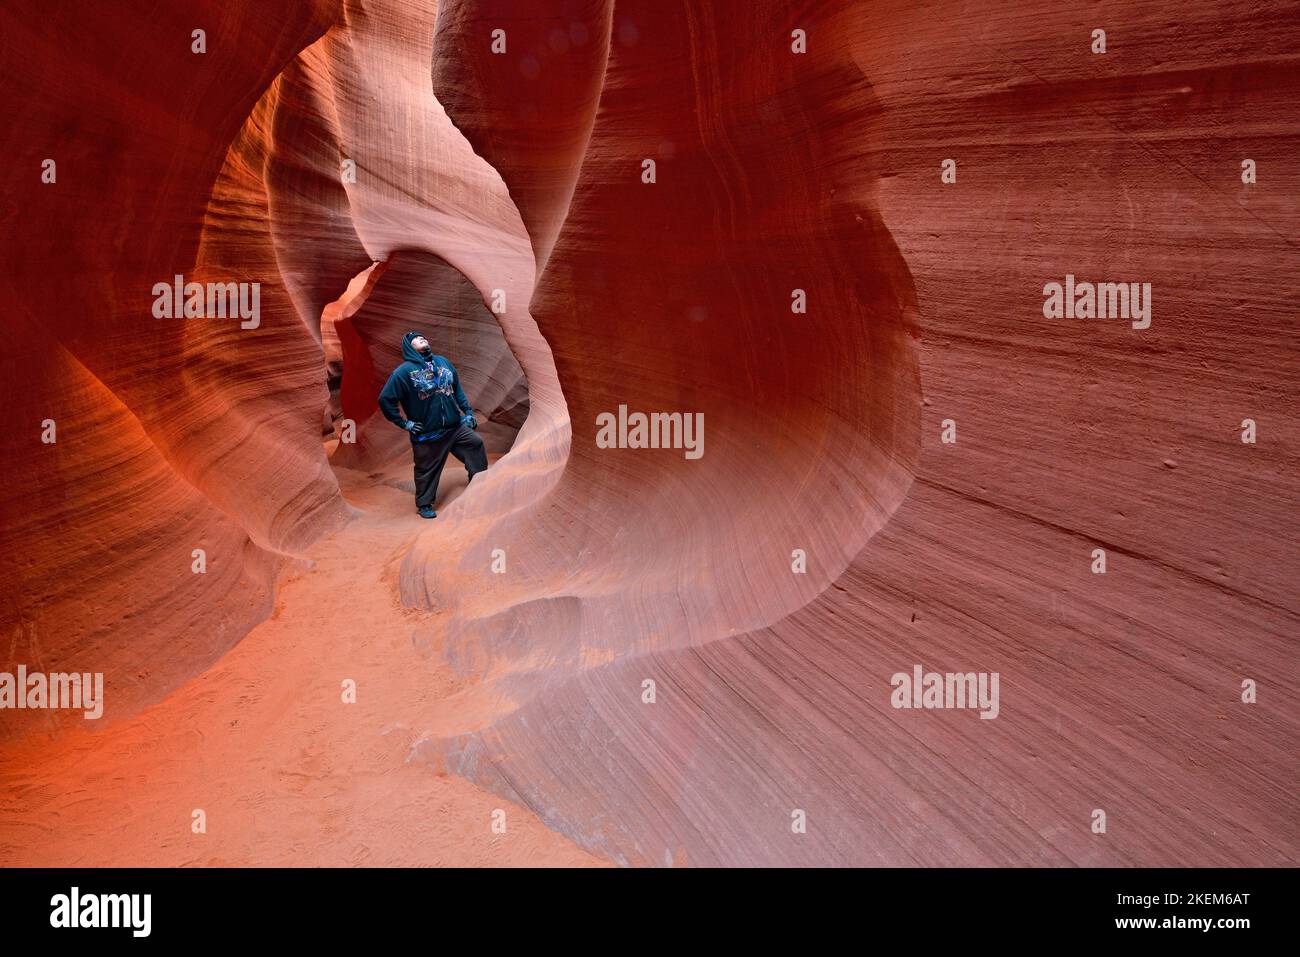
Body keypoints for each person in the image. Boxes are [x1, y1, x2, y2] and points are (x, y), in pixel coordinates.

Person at [377, 332, 487, 518]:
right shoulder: (403, 372)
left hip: (455, 427)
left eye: (423, 337)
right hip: (429, 434)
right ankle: (425, 504)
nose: (422, 338)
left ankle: (480, 483)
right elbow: (385, 399)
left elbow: (457, 389)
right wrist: (405, 424)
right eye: (416, 338)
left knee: (475, 444)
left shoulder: (443, 362)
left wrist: (467, 412)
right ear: (409, 346)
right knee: (425, 470)